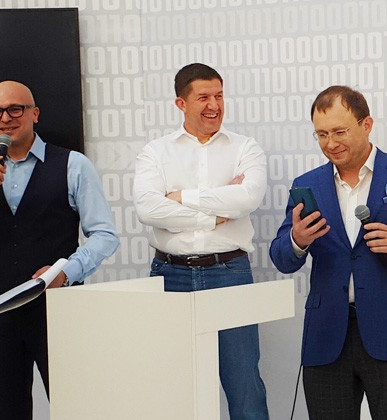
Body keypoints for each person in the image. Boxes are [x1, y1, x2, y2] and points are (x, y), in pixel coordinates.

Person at [269, 85, 387, 419]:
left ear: (367, 124)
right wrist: (297, 240)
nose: (330, 143)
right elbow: (281, 257)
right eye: (321, 135)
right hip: (326, 337)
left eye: (339, 131)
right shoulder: (307, 185)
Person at [0, 80, 119, 420]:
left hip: (60, 311)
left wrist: (66, 272)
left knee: (75, 409)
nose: (5, 118)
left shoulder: (73, 165)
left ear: (34, 114)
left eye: (15, 109)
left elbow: (104, 235)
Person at [133, 63, 270, 420]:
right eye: (204, 97)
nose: (214, 105)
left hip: (229, 273)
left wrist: (180, 197)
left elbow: (247, 198)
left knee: (244, 383)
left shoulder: (245, 148)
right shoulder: (156, 152)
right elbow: (148, 208)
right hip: (170, 275)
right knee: (173, 384)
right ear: (181, 103)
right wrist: (214, 215)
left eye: (219, 96)